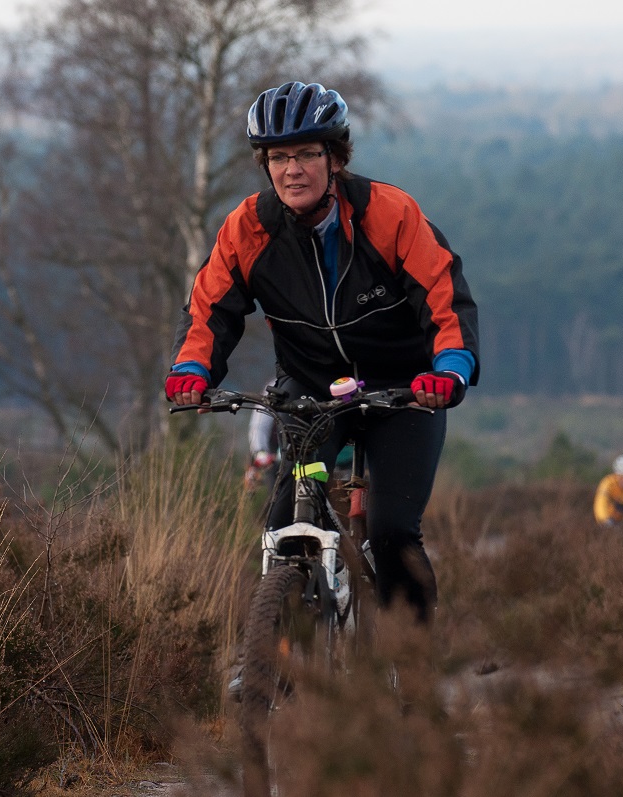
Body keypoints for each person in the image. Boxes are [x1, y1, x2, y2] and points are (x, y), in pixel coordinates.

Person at [165, 81, 480, 623]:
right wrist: (191, 369)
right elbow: (210, 308)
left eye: (309, 154)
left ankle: (414, 674)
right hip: (309, 392)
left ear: (335, 160)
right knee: (285, 523)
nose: (293, 170)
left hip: (402, 393)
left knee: (392, 533)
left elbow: (443, 298)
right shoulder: (250, 227)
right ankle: (274, 653)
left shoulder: (390, 215)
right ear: (265, 165)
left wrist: (449, 368)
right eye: (279, 157)